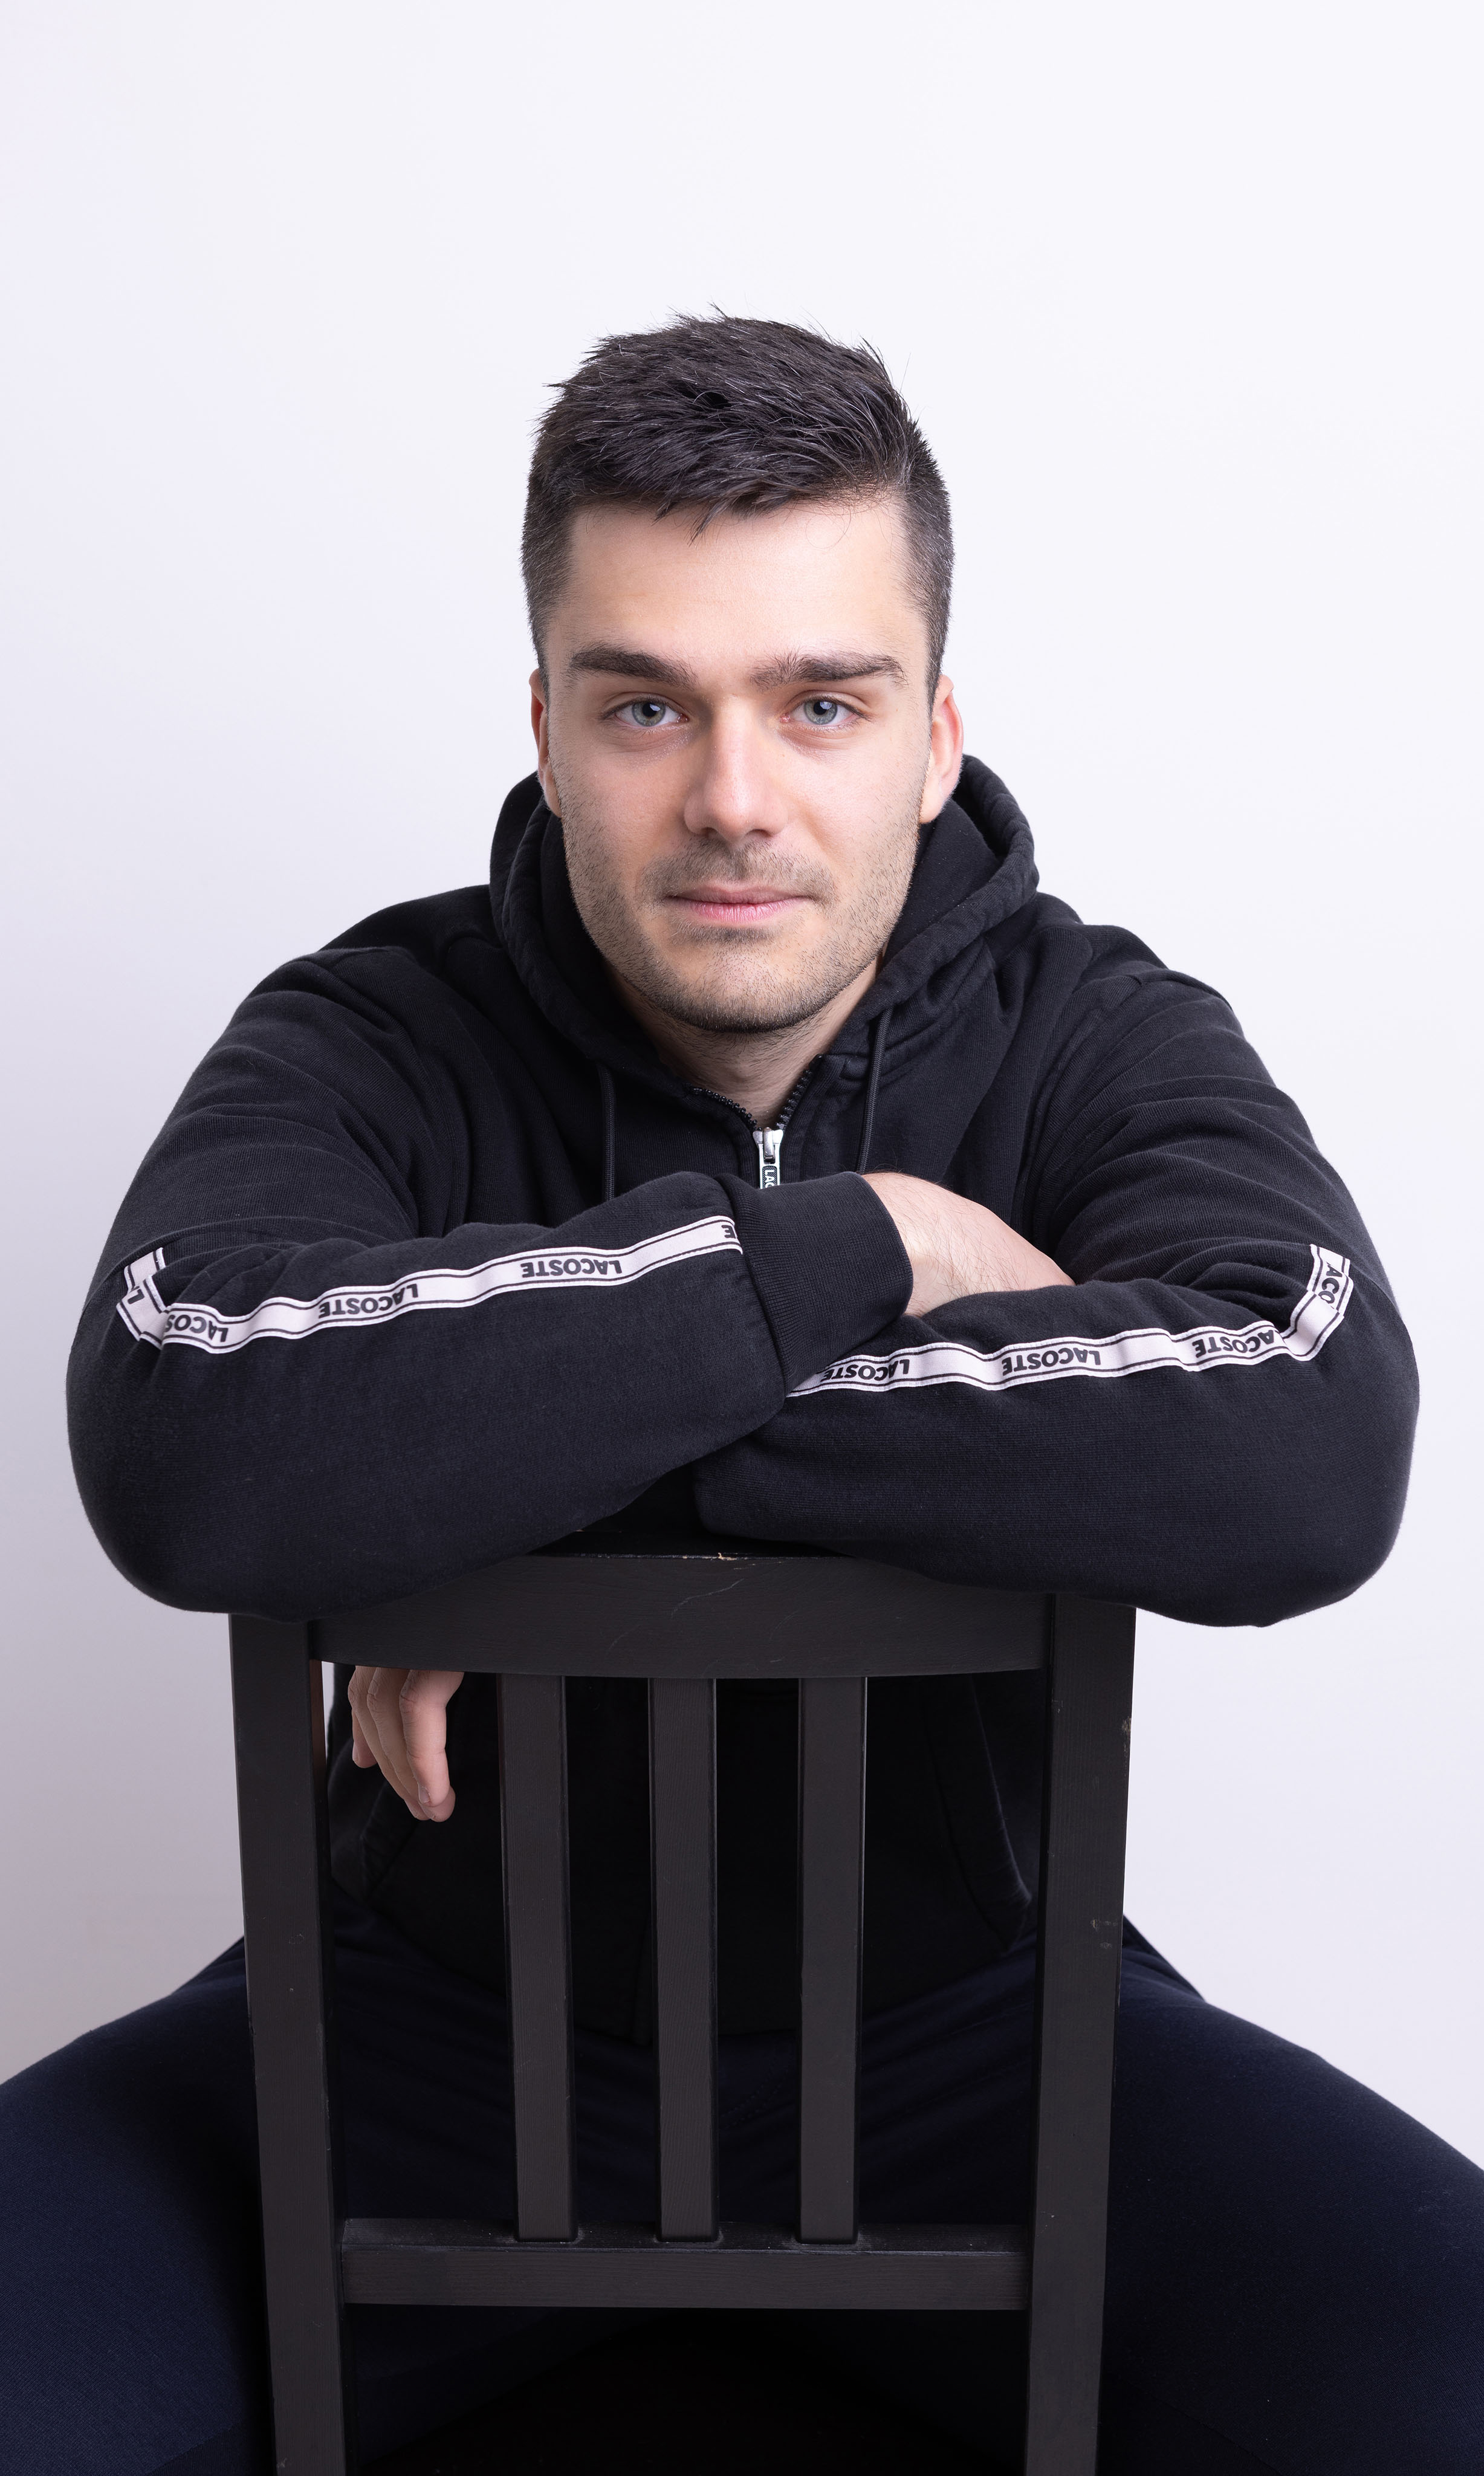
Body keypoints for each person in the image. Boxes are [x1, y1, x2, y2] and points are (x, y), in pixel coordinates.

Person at [6, 313, 1470, 2474]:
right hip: (400, 2034)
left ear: (936, 734)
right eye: (643, 707)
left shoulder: (1098, 1037)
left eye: (822, 703)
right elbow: (185, 1424)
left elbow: (1308, 1435)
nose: (733, 800)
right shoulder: (371, 1031)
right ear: (544, 725)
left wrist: (491, 1475)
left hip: (994, 2041)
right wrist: (851, 1247)